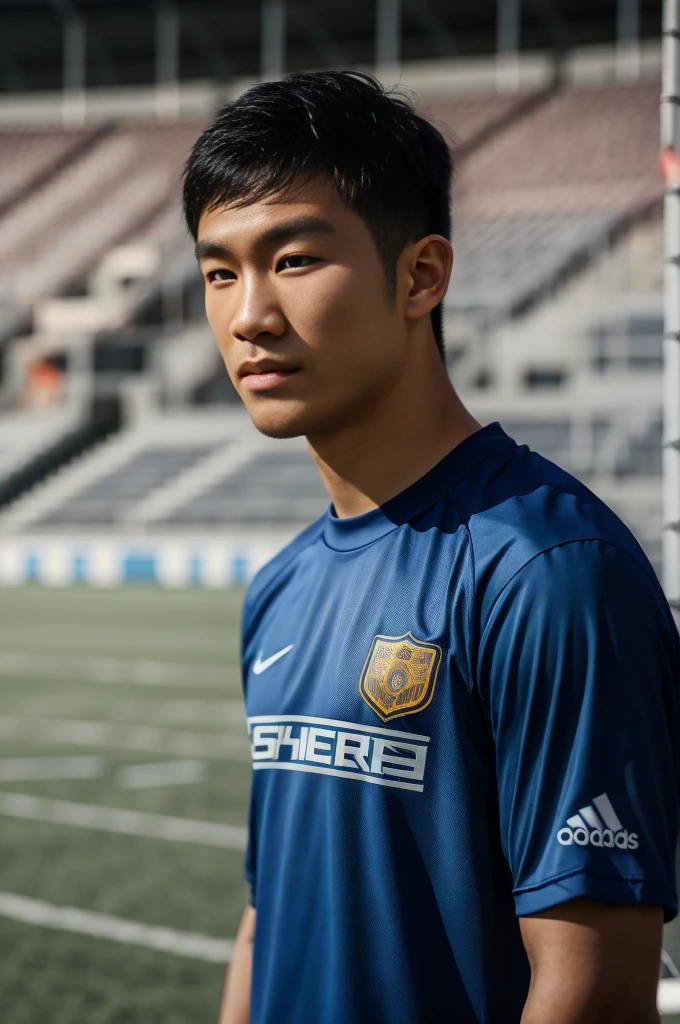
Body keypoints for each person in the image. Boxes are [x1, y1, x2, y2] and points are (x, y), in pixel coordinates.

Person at [183, 70, 680, 1024]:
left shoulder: (549, 573)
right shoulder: (280, 587)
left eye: (291, 260)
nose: (247, 315)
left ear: (421, 276)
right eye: (219, 271)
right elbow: (266, 915)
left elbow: (598, 988)